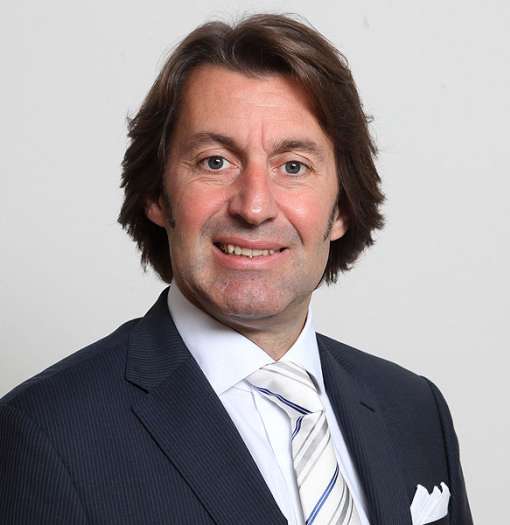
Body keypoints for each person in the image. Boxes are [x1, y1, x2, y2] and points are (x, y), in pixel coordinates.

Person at [0, 14, 473, 525]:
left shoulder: (414, 410)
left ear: (341, 208)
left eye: (293, 166)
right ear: (158, 195)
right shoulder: (44, 435)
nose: (254, 206)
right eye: (215, 162)